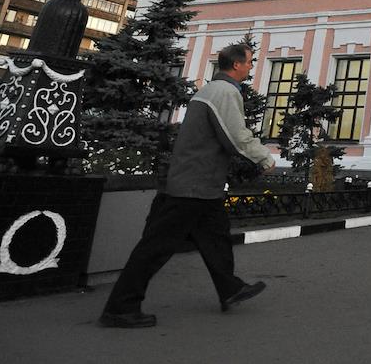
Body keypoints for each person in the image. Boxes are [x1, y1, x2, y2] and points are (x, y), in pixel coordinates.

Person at [99, 43, 275, 329]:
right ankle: (121, 308)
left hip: (201, 185)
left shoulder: (209, 90)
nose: (251, 67)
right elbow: (236, 135)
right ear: (237, 65)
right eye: (250, 62)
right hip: (191, 186)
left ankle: (230, 288)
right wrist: (263, 157)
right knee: (155, 247)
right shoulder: (224, 92)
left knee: (216, 239)